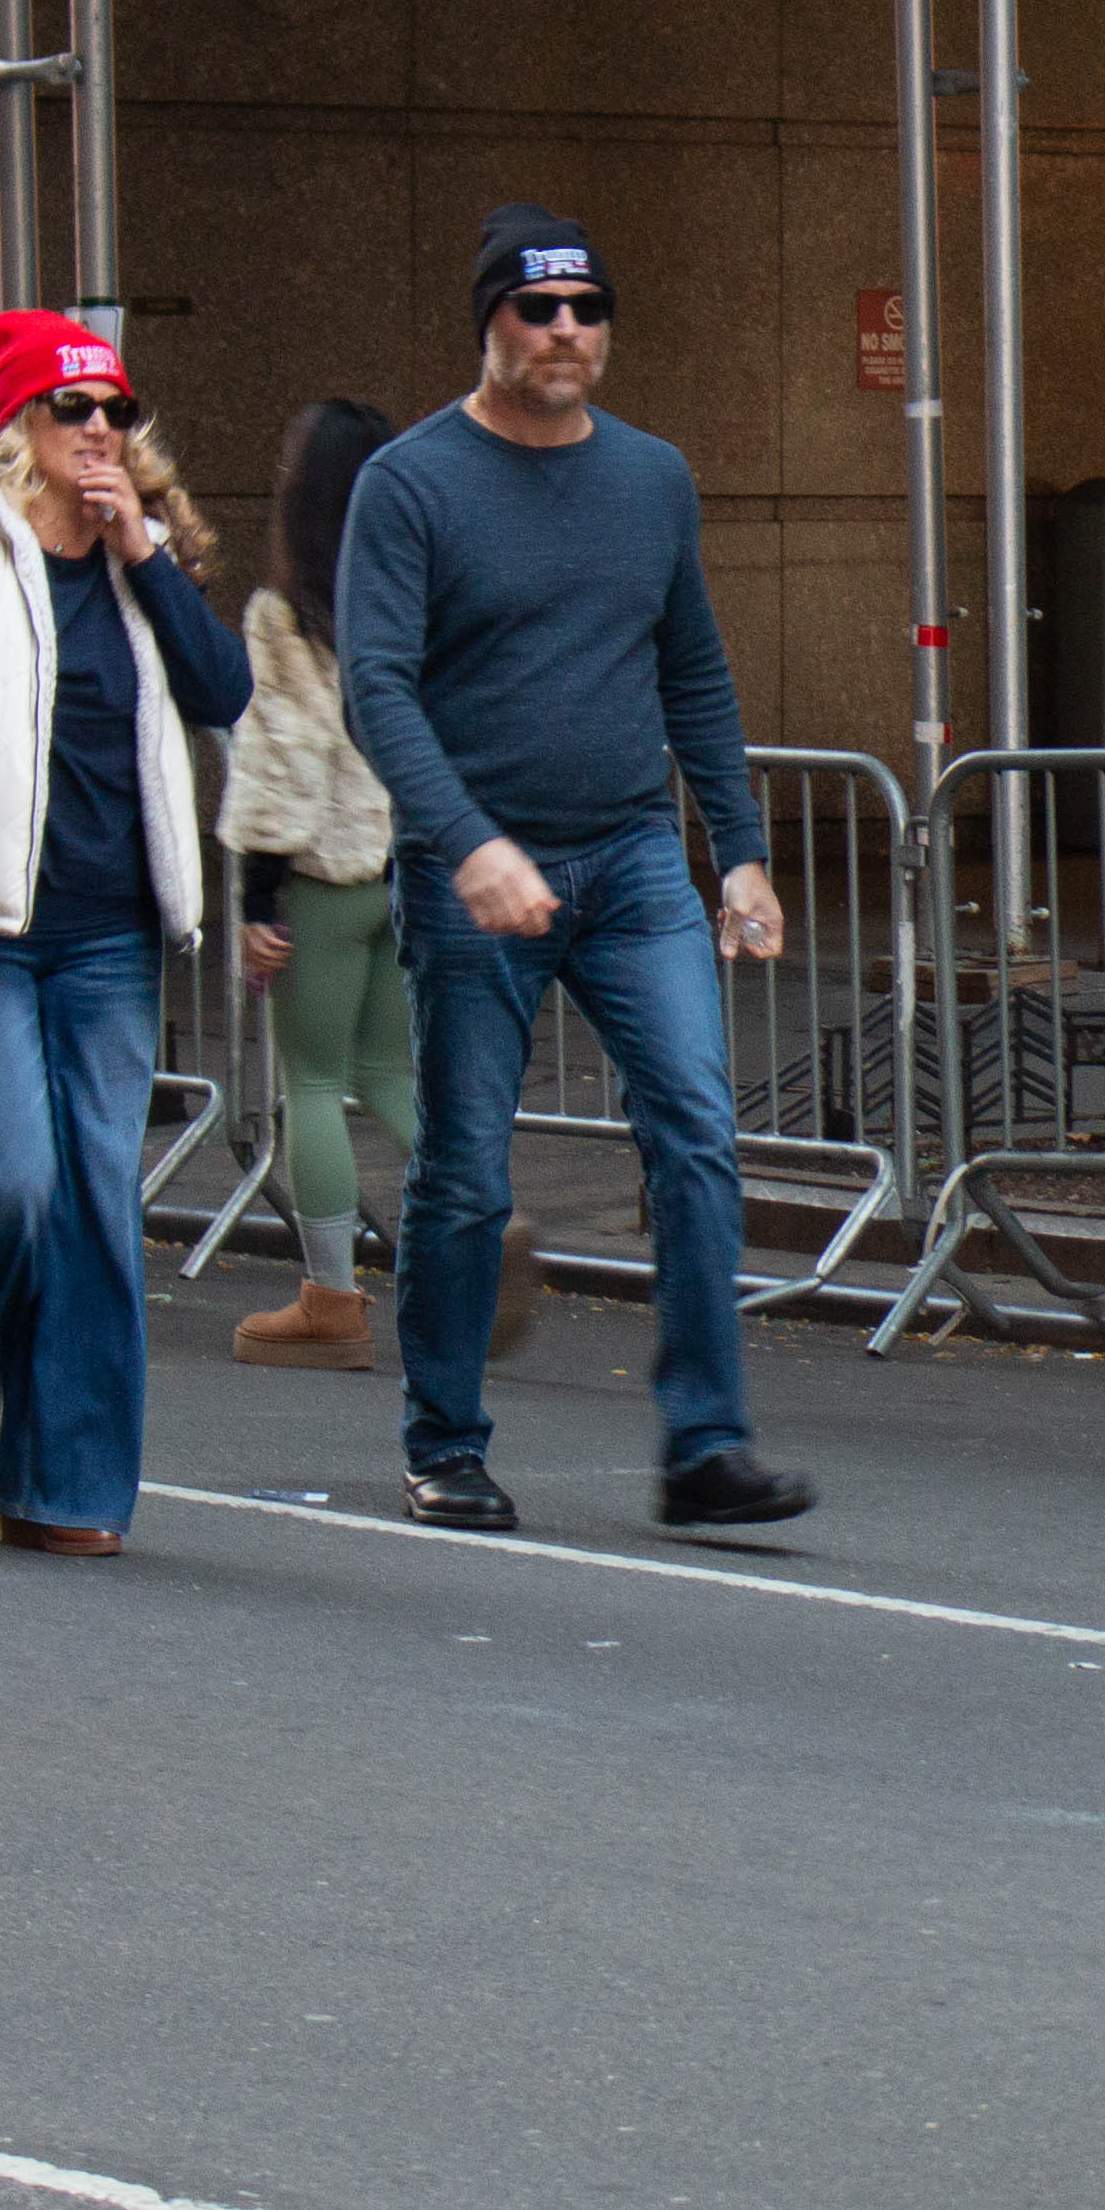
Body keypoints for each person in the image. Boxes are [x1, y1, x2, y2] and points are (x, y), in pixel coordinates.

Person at [336, 204, 806, 1537]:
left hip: (632, 859)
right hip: (472, 873)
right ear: (488, 322)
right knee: (470, 1173)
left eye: (586, 310)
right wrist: (465, 841)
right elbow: (376, 687)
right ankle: (445, 1442)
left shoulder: (651, 478)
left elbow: (694, 672)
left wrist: (746, 854)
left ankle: (706, 1446)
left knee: (698, 1137)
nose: (563, 332)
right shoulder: (413, 484)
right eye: (535, 309)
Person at [0, 310, 250, 1558]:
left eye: (114, 414)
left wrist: (146, 557)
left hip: (108, 933)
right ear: (17, 426)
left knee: (93, 1205)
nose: (96, 434)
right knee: (11, 1182)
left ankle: (67, 1486)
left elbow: (224, 692)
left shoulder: (142, 559)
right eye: (69, 411)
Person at [220, 397, 429, 1375]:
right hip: (402, 865)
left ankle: (331, 1299)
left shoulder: (285, 614)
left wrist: (258, 896)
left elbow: (283, 760)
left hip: (318, 876)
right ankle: (484, 1225)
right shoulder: (409, 590)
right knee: (391, 1074)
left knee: (309, 1085)